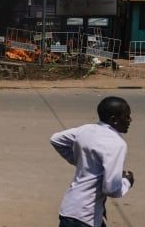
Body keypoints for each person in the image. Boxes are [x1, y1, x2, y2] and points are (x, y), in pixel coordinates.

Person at [50, 96, 134, 227]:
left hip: (69, 209)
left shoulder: (85, 130)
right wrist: (127, 182)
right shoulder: (117, 144)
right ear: (114, 120)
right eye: (126, 116)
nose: (130, 120)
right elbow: (111, 189)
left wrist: (79, 161)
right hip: (85, 216)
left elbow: (56, 139)